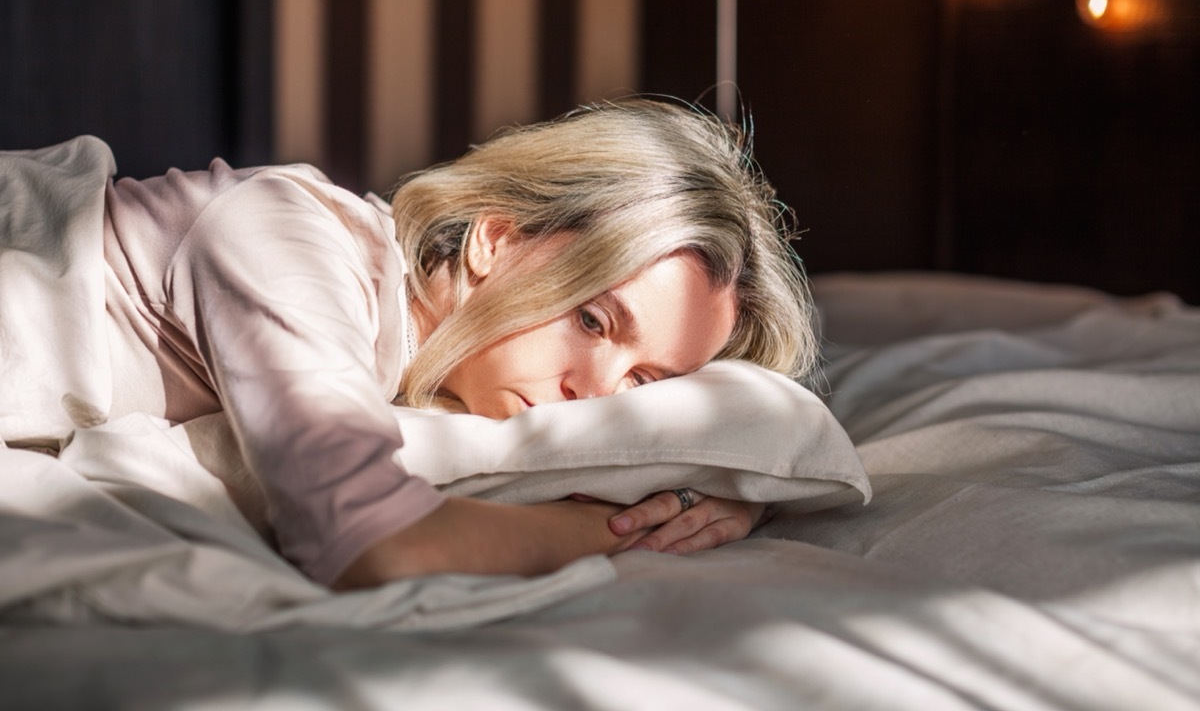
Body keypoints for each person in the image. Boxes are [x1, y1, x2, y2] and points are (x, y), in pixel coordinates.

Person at [1, 98, 818, 590]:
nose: (596, 396)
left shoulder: (411, 367)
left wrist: (712, 485)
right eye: (593, 320)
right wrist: (645, 526)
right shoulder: (288, 238)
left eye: (645, 383)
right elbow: (375, 547)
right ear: (495, 240)